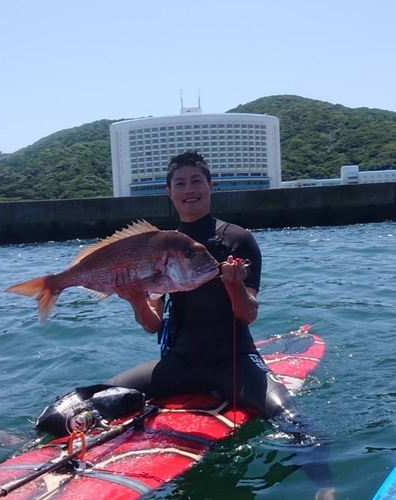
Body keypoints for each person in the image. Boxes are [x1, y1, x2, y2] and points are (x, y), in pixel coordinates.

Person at [105, 150, 334, 500]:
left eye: (197, 181)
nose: (189, 189)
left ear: (211, 186)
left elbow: (248, 314)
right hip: (179, 364)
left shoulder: (237, 239)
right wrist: (135, 299)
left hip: (235, 361)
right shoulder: (157, 246)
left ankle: (326, 485)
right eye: (180, 183)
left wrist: (233, 284)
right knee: (86, 399)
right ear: (169, 192)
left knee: (290, 418)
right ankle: (33, 437)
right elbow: (152, 325)